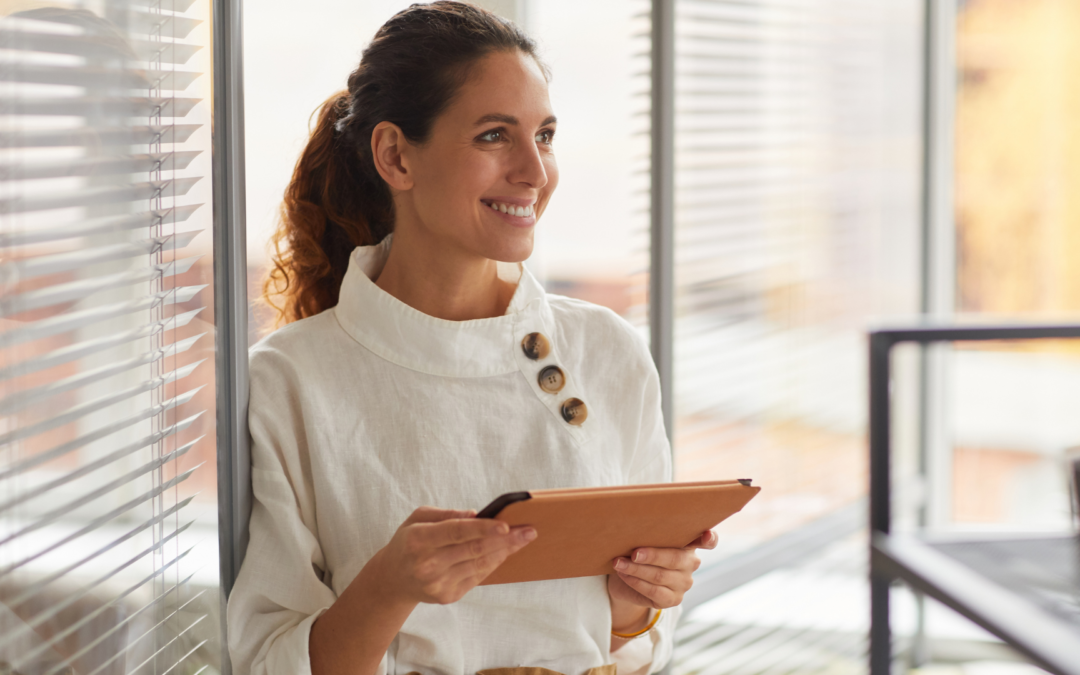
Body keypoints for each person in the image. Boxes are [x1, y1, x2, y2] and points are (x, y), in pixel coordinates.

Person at [226, 3, 717, 675]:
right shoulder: (290, 379)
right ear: (396, 155)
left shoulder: (608, 351)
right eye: (494, 135)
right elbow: (264, 659)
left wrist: (636, 602)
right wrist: (388, 585)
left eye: (544, 135)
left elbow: (634, 645)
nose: (535, 171)